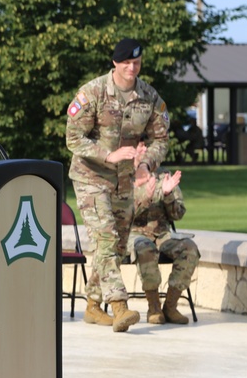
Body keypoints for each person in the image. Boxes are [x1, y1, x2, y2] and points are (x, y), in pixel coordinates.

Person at [66, 38, 169, 333]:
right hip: (91, 177)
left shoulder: (148, 96)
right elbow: (73, 138)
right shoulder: (92, 92)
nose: (131, 68)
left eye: (136, 63)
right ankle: (119, 306)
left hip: (124, 180)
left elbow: (160, 138)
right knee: (107, 239)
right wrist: (107, 154)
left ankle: (93, 306)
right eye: (126, 63)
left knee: (118, 244)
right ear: (115, 63)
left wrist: (145, 163)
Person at [131, 166, 200, 325]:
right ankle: (154, 307)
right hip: (134, 234)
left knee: (189, 248)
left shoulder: (165, 176)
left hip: (163, 235)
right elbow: (122, 214)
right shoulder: (125, 176)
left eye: (146, 145)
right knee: (144, 247)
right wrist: (147, 196)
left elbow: (178, 214)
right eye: (139, 145)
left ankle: (170, 306)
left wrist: (168, 195)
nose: (143, 150)